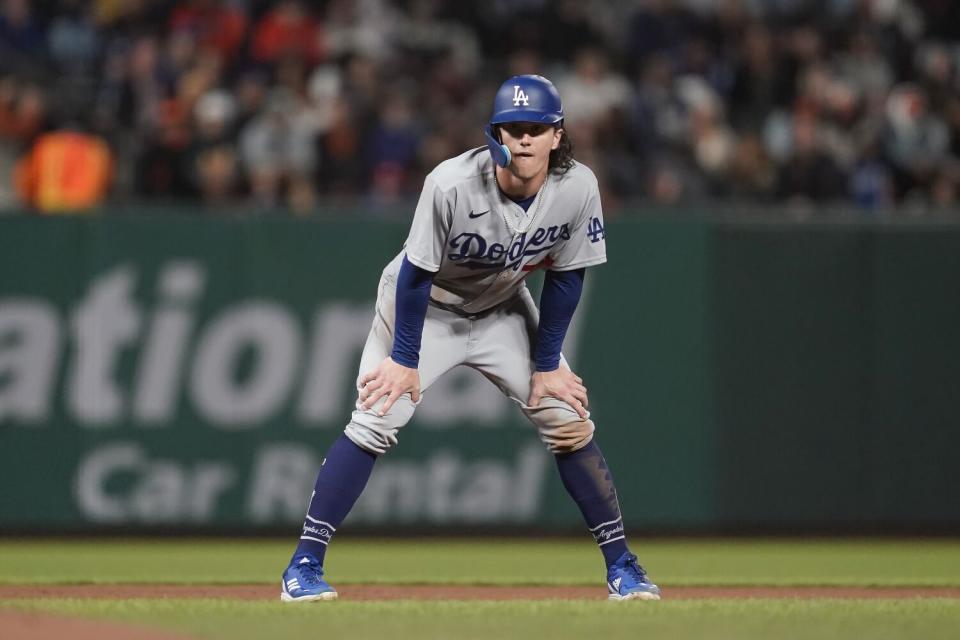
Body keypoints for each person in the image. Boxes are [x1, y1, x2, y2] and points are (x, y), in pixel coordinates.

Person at [280, 75, 661, 603]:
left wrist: (547, 363)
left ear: (557, 135)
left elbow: (567, 277)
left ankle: (623, 565)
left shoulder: (578, 187)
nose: (523, 140)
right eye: (512, 129)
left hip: (501, 306)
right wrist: (404, 359)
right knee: (376, 416)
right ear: (495, 136)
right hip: (424, 307)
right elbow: (415, 275)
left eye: (536, 128)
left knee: (567, 420)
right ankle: (303, 565)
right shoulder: (451, 182)